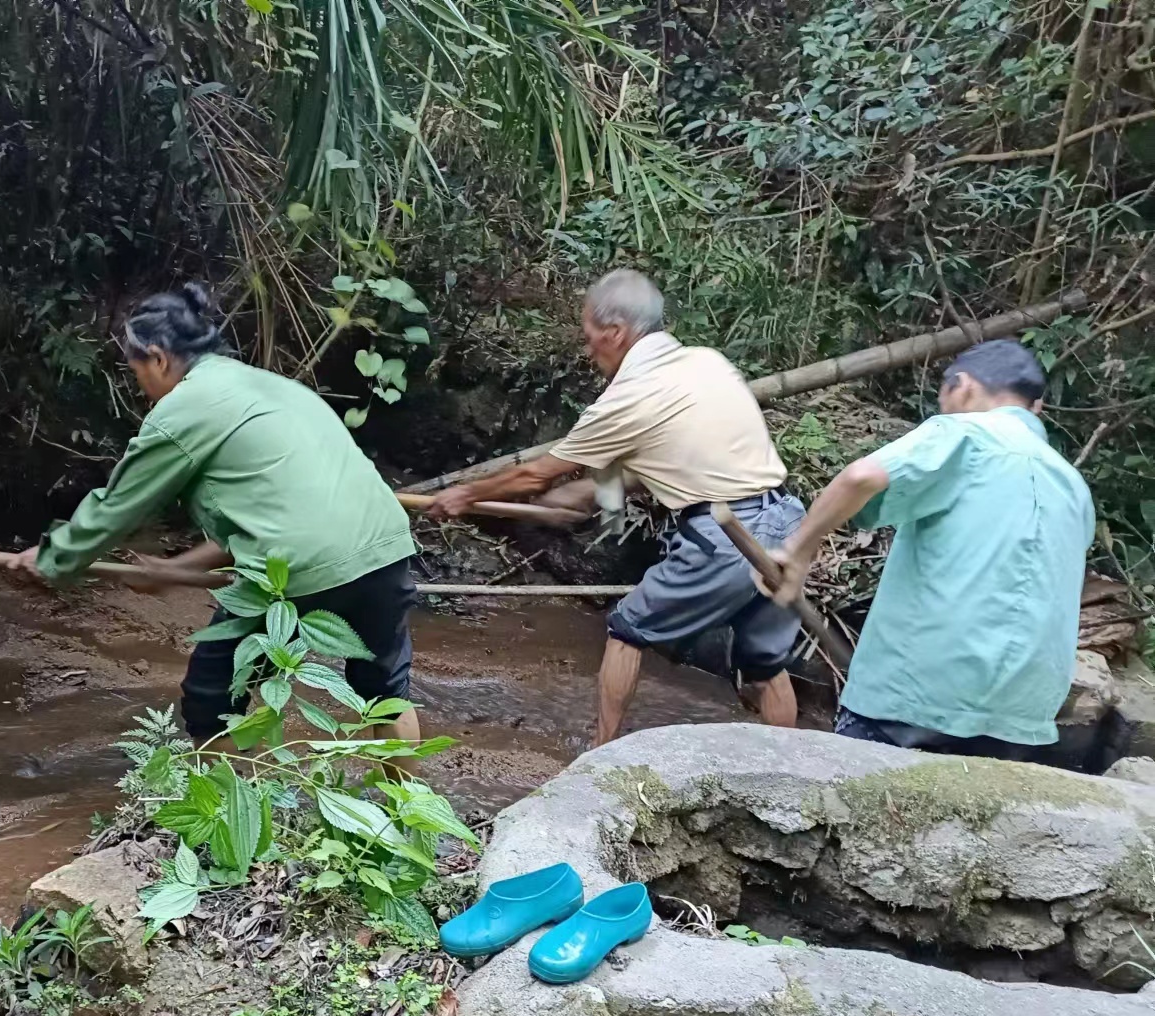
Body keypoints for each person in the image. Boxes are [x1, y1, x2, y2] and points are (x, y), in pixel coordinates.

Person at [6, 284, 421, 744]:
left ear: (158, 358)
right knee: (385, 693)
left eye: (135, 370)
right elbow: (274, 513)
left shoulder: (184, 409)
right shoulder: (270, 386)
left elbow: (118, 506)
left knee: (212, 698)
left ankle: (226, 811)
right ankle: (405, 813)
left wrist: (51, 560)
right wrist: (177, 567)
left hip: (297, 570)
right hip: (385, 551)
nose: (141, 386)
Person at [431, 269, 805, 746]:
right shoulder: (707, 362)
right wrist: (587, 494)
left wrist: (464, 495)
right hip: (787, 524)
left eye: (590, 340)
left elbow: (534, 473)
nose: (589, 353)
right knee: (768, 662)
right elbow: (673, 456)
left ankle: (601, 754)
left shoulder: (629, 395)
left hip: (725, 534)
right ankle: (791, 765)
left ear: (616, 333)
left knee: (627, 627)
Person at [767, 339, 1094, 759]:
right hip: (1023, 716)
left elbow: (861, 478)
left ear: (962, 387)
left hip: (917, 698)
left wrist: (797, 552)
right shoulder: (1073, 485)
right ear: (1037, 409)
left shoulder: (964, 432)